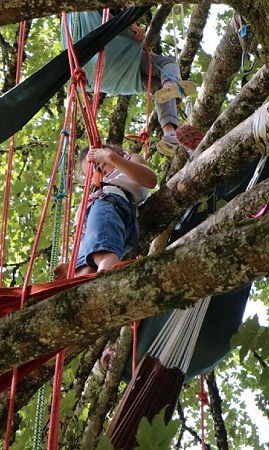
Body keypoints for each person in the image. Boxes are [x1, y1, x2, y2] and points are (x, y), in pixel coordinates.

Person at [62, 11, 198, 156]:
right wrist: (133, 26)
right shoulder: (84, 12)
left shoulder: (68, 23)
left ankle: (169, 133)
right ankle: (170, 85)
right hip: (113, 53)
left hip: (96, 78)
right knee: (166, 64)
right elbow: (109, 10)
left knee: (157, 86)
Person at [56, 144, 155, 280]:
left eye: (101, 164)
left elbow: (150, 180)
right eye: (91, 173)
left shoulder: (127, 162)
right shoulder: (97, 189)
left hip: (109, 205)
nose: (99, 172)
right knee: (83, 267)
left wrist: (111, 158)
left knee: (101, 252)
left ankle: (106, 280)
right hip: (88, 227)